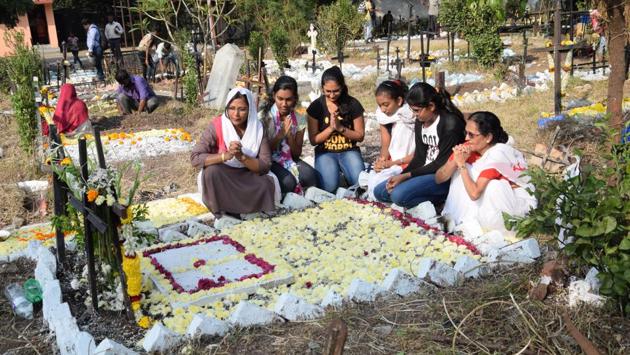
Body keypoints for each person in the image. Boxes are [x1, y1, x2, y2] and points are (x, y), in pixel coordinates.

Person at [436, 111, 536, 231]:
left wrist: (461, 164)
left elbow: (474, 194)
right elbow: (439, 178)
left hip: (514, 203)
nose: (466, 138)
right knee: (461, 170)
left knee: (493, 185)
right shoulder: (469, 147)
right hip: (483, 204)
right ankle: (463, 218)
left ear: (488, 137)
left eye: (471, 135)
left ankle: (487, 226)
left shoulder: (498, 154)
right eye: (465, 132)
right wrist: (455, 161)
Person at [373, 82, 465, 208]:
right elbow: (420, 158)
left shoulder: (449, 123)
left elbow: (441, 163)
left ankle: (440, 198)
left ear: (431, 106)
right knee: (379, 192)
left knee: (397, 196)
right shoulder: (420, 121)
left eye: (417, 111)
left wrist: (406, 176)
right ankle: (417, 195)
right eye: (412, 110)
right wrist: (401, 176)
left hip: (441, 175)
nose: (414, 115)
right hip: (423, 170)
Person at [191, 88, 278, 215]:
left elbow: (265, 165)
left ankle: (249, 210)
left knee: (265, 182)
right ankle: (221, 209)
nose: (236, 114)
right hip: (225, 174)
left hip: (249, 174)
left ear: (250, 110)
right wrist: (225, 156)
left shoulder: (258, 128)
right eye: (231, 108)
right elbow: (195, 158)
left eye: (242, 109)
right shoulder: (218, 126)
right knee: (211, 172)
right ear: (226, 108)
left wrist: (241, 156)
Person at [307, 66, 365, 193]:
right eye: (328, 91)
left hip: (348, 150)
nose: (332, 95)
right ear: (322, 88)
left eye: (336, 91)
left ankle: (345, 173)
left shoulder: (353, 104)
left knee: (360, 184)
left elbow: (360, 136)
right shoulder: (315, 107)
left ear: (343, 87)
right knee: (329, 188)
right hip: (326, 152)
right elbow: (313, 140)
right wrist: (331, 129)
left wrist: (341, 128)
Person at [259, 76, 318, 195]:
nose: (284, 104)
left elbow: (296, 153)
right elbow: (261, 152)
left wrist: (290, 135)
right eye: (280, 99)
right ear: (274, 95)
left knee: (311, 177)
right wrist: (280, 135)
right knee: (288, 182)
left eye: (288, 99)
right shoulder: (263, 117)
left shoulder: (299, 117)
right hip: (268, 159)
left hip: (289, 158)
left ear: (295, 98)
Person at [366, 80, 415, 200]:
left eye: (386, 104)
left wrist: (393, 164)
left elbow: (417, 153)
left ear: (399, 101)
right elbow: (385, 145)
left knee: (382, 189)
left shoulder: (411, 116)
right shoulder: (384, 117)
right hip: (393, 162)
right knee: (374, 180)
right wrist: (382, 163)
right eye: (380, 105)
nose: (383, 109)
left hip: (409, 163)